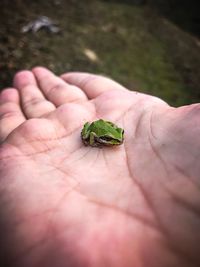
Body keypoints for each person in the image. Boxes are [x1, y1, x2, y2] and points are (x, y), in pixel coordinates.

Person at [0, 67, 199, 267]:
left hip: (104, 126)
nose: (118, 142)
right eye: (113, 140)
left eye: (120, 138)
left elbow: (116, 133)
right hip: (94, 129)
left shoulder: (117, 136)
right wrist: (93, 141)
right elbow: (92, 133)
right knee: (90, 133)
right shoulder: (97, 134)